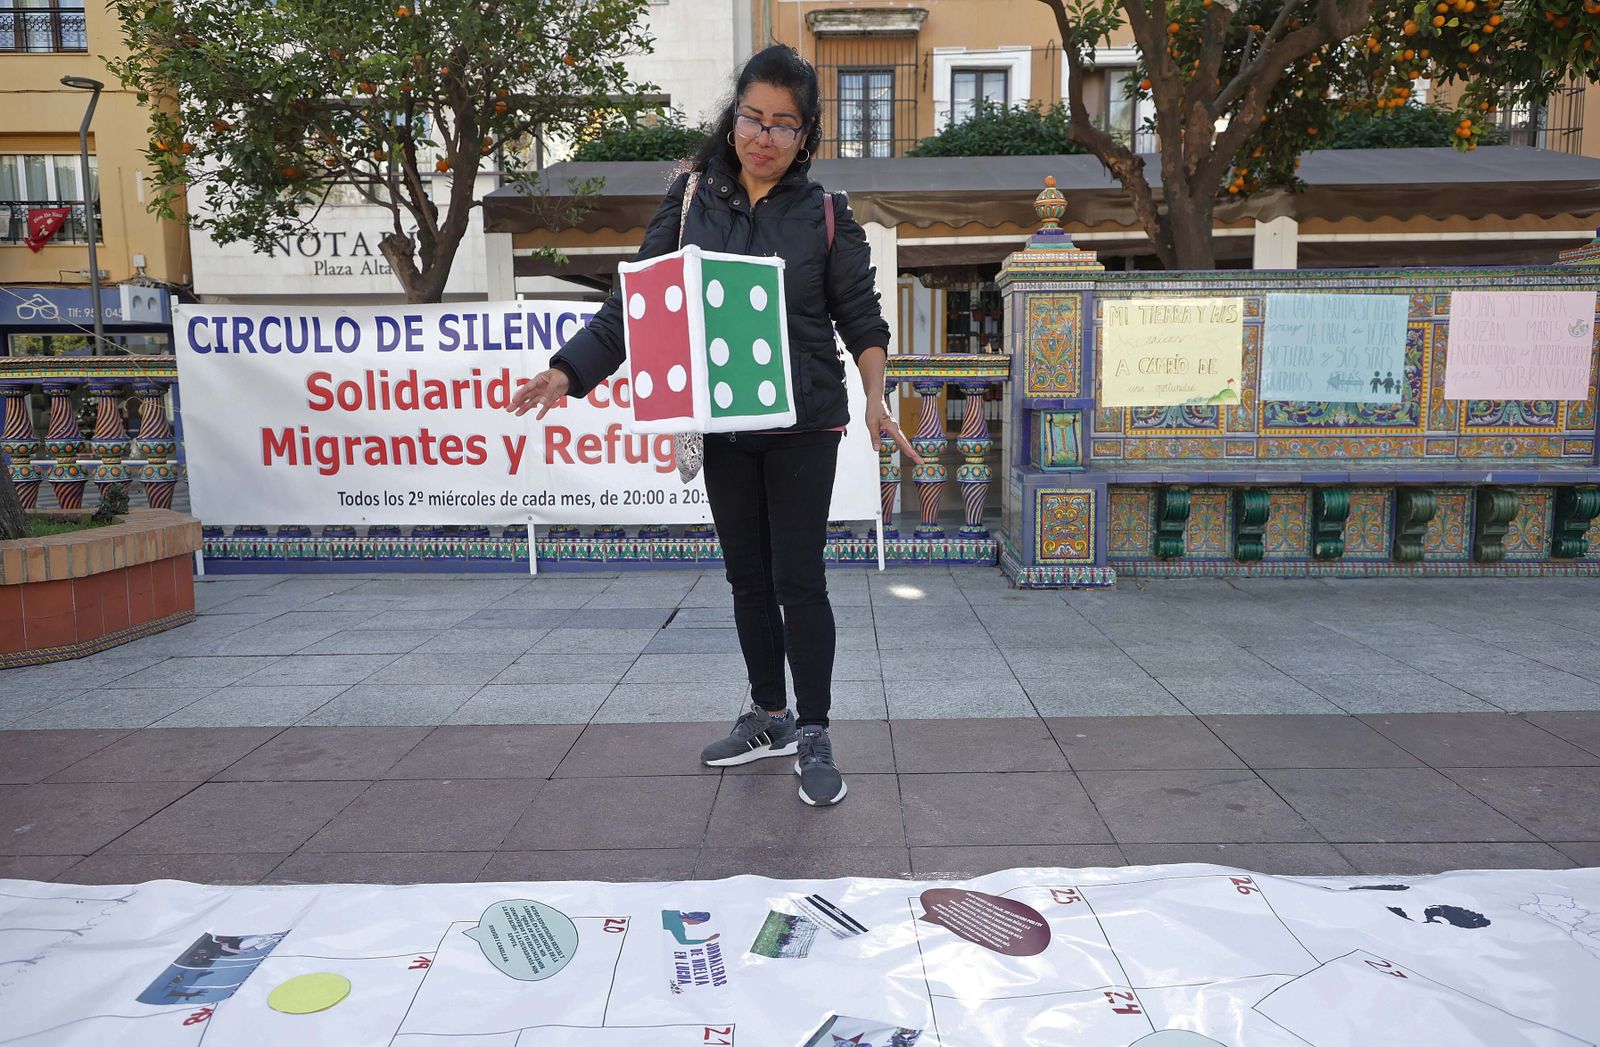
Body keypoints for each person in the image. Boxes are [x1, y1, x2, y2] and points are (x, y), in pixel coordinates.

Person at [509, 44, 918, 807]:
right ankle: (770, 713)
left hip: (804, 425)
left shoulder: (826, 214)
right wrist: (569, 371)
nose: (763, 135)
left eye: (783, 125)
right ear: (733, 120)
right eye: (751, 118)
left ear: (807, 137)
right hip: (724, 422)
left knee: (800, 578)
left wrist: (873, 397)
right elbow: (633, 310)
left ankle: (816, 728)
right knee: (746, 578)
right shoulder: (692, 200)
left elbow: (862, 319)